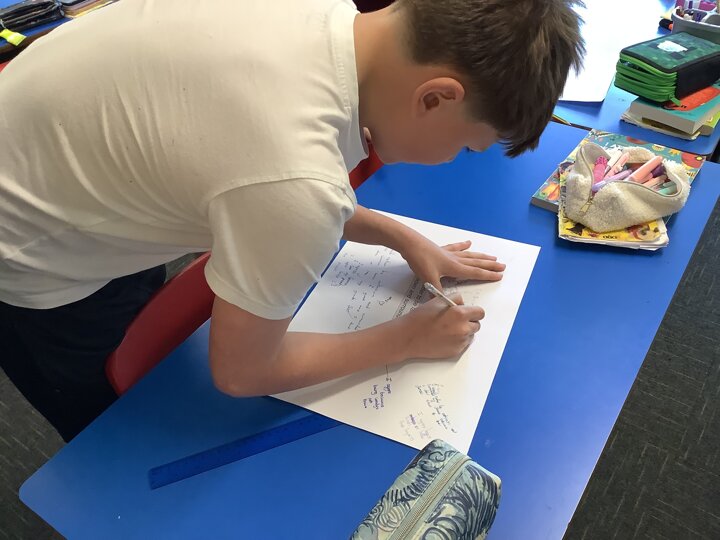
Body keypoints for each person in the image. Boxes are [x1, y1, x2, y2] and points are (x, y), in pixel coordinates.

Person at [0, 0, 583, 442]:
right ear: (434, 99)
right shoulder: (295, 178)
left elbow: (254, 158)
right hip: (30, 253)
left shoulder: (325, 19)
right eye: (466, 146)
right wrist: (406, 338)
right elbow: (240, 371)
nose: (454, 159)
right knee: (115, 437)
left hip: (60, 155)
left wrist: (397, 235)